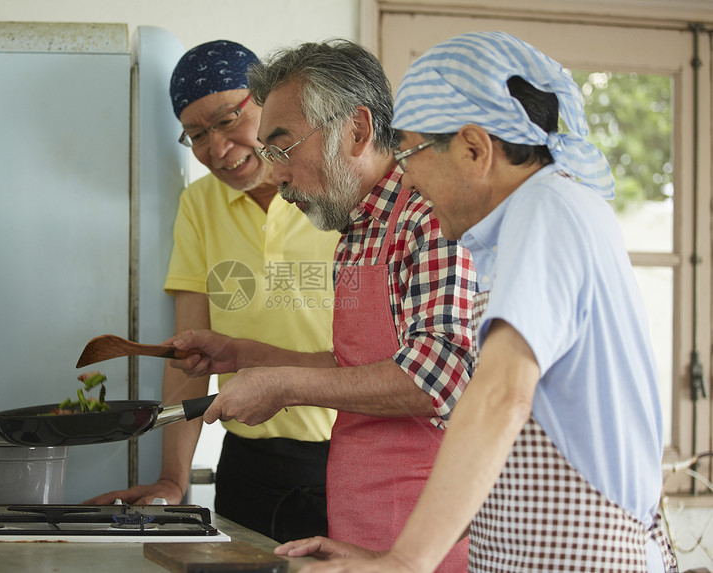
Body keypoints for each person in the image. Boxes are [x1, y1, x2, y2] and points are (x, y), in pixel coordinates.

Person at [274, 31, 678, 572]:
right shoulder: (556, 212)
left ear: (473, 148)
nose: (407, 174)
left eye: (412, 151)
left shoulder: (546, 211)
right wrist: (388, 551)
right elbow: (527, 445)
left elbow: (499, 398)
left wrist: (405, 562)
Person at [167, 40, 475, 570]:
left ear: (356, 130)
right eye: (270, 154)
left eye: (283, 149)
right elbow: (359, 369)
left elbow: (438, 375)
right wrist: (245, 353)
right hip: (363, 524)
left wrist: (285, 386)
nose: (277, 175)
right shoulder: (355, 229)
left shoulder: (427, 215)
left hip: (428, 542)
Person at [84, 40, 340, 544]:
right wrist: (173, 479)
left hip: (347, 456)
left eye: (226, 121)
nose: (216, 149)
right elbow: (188, 351)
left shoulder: (333, 190)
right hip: (248, 465)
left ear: (267, 102)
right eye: (196, 134)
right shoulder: (200, 204)